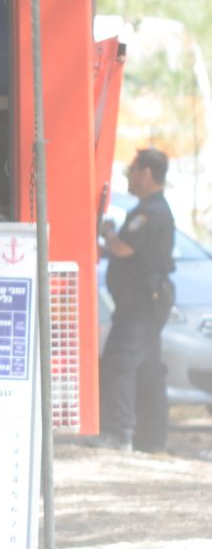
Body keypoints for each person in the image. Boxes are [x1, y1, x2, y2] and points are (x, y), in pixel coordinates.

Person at [99, 148, 176, 454]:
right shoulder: (150, 208)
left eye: (131, 170)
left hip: (140, 303)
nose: (128, 176)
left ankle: (118, 434)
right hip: (144, 300)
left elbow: (123, 248)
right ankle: (152, 440)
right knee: (148, 369)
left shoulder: (151, 212)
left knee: (120, 360)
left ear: (146, 173)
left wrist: (106, 233)